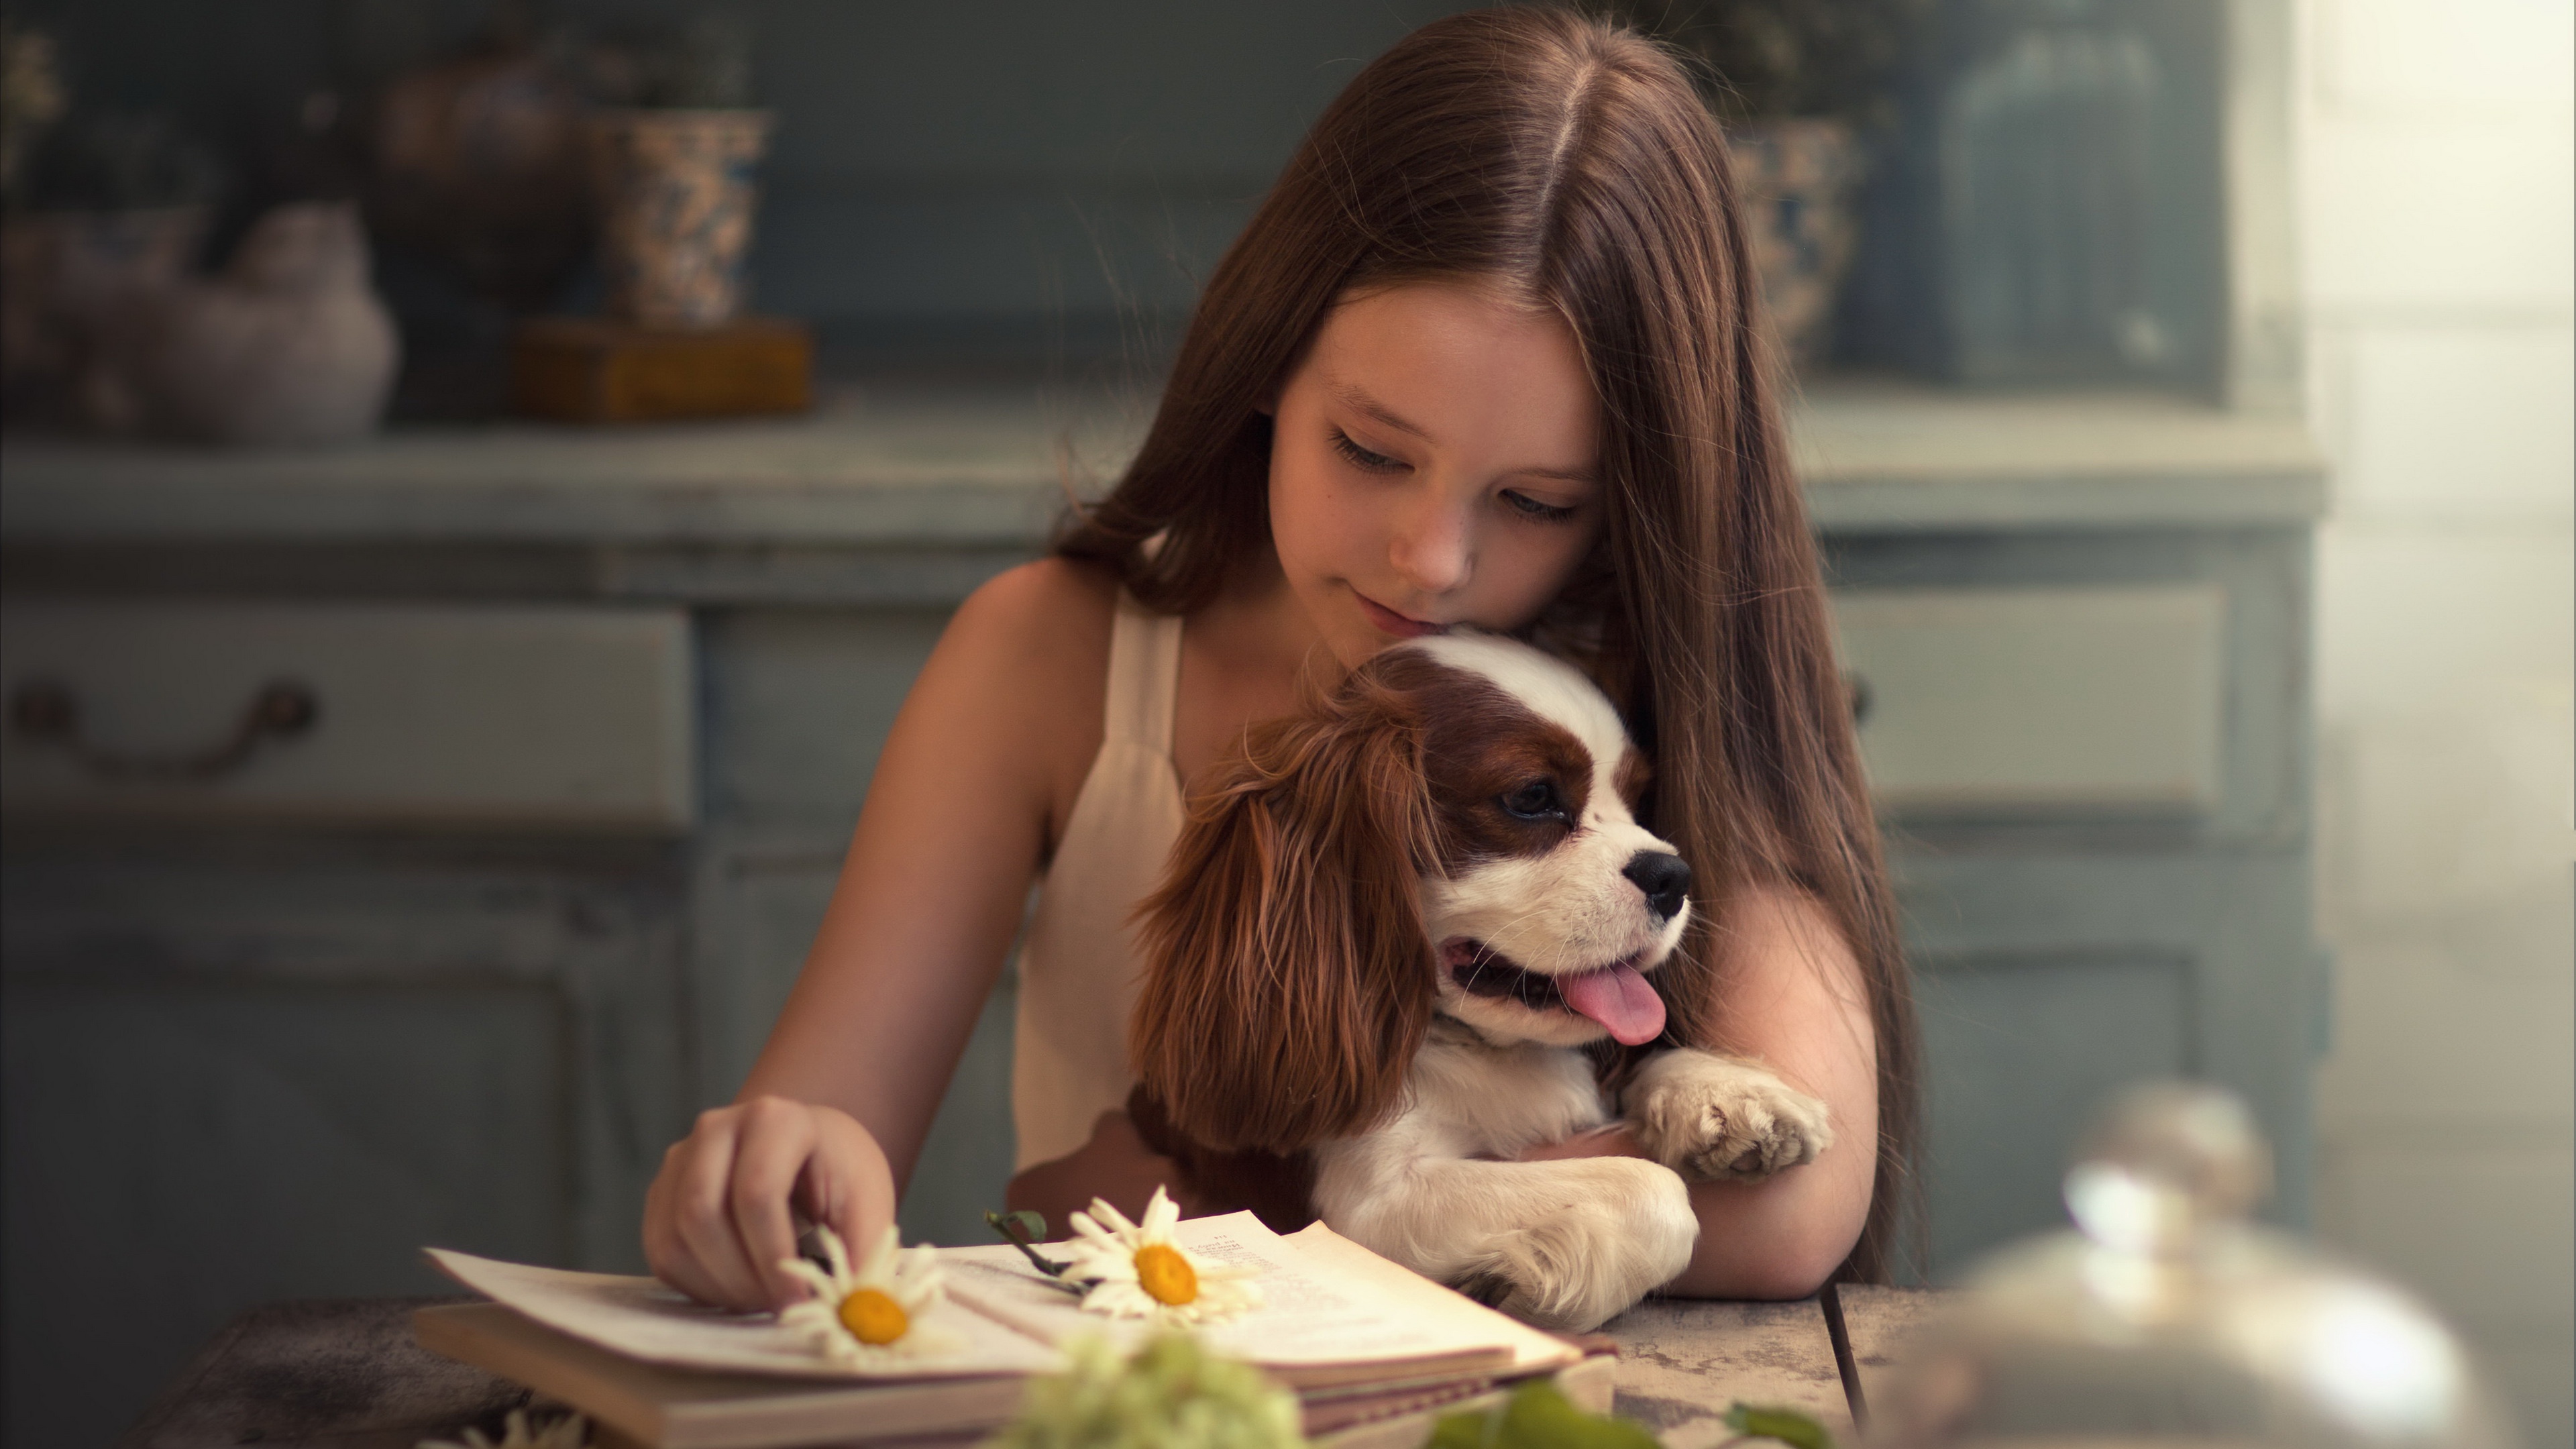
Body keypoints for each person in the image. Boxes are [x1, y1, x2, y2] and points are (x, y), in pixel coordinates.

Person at [643, 7, 1919, 1313]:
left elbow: (1784, 1214)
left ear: (1636, 497)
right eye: (1370, 450)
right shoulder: (1048, 655)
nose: (1431, 559)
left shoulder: (1657, 681)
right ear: (1266, 361)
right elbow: (834, 1121)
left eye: (1536, 500)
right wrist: (781, 1161)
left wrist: (1178, 1183)